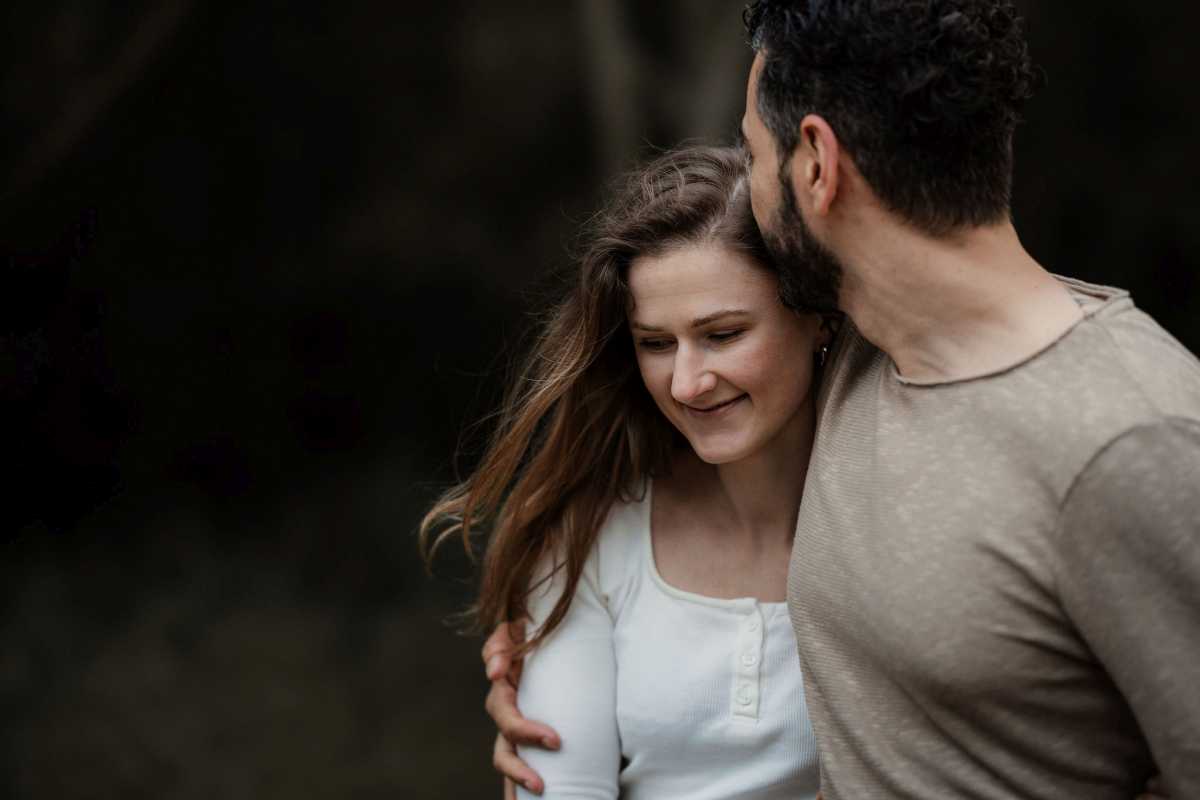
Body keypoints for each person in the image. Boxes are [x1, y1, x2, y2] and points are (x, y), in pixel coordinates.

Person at [483, 1, 1200, 798]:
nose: (750, 188)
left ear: (816, 165)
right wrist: (545, 653)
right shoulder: (859, 353)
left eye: (754, 157)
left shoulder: (1137, 441)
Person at [422, 145, 835, 799]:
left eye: (723, 334)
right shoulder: (593, 537)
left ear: (814, 316)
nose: (688, 382)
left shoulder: (897, 527)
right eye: (656, 344)